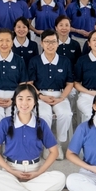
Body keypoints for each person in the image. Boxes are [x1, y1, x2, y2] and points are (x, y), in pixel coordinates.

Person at [0, 84, 65, 191]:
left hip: (35, 169)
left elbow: (54, 152)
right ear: (15, 101)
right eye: (20, 98)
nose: (24, 103)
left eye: (29, 99)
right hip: (11, 169)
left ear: (35, 101)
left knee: (60, 179)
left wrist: (38, 172)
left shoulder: (41, 124)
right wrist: (12, 171)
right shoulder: (5, 123)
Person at [27, 30, 74, 159]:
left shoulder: (65, 61)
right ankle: (47, 145)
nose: (50, 45)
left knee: (65, 114)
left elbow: (70, 83)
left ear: (58, 43)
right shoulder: (35, 61)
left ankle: (57, 143)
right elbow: (30, 83)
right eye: (47, 42)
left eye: (53, 42)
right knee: (44, 114)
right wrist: (41, 96)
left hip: (59, 94)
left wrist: (62, 98)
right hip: (39, 95)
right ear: (41, 43)